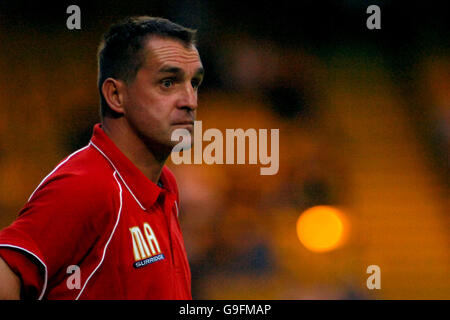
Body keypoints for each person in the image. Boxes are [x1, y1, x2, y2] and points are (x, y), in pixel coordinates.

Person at [0, 16, 204, 300]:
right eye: (168, 83)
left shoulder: (165, 184)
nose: (190, 100)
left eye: (194, 83)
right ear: (115, 95)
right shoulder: (87, 185)